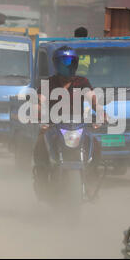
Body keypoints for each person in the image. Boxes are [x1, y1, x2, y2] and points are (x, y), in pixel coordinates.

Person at [32, 46, 107, 198]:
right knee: (40, 144)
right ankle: (42, 183)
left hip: (78, 126)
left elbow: (92, 98)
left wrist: (100, 111)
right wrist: (38, 111)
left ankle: (91, 180)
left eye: (70, 62)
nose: (67, 66)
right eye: (63, 63)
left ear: (75, 64)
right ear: (56, 65)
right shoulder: (49, 83)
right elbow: (39, 100)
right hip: (54, 126)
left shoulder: (82, 82)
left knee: (96, 145)